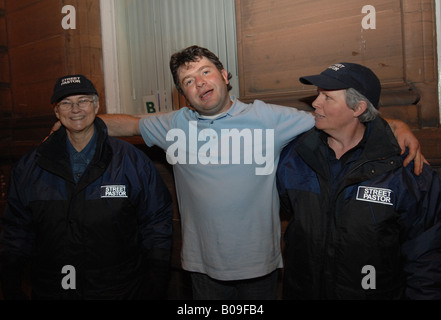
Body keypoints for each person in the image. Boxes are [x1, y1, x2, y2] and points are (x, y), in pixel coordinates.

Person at [51, 46, 423, 300]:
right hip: (201, 265)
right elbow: (126, 124)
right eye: (188, 80)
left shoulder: (270, 118)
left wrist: (396, 123)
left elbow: (341, 115)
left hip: (260, 264)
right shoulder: (173, 124)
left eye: (205, 71)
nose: (200, 83)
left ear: (225, 75)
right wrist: (79, 120)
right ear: (183, 92)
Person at [277, 62, 441, 299]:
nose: (315, 103)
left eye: (327, 97)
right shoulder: (296, 155)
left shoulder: (404, 169)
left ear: (358, 108)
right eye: (317, 94)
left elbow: (426, 256)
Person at [0, 75, 173, 300]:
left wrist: (157, 277)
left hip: (120, 288)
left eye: (83, 100)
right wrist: (11, 283)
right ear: (56, 111)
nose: (75, 109)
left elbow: (156, 219)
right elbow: (16, 228)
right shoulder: (31, 166)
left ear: (96, 106)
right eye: (66, 103)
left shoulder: (130, 160)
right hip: (53, 288)